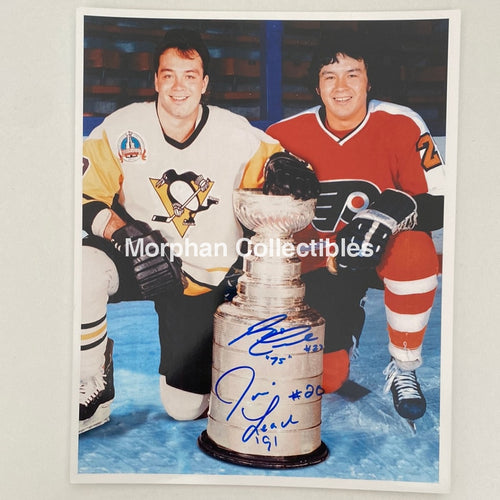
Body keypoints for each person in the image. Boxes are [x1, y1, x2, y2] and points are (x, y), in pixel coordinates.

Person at [79, 28, 319, 433]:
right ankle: (91, 377)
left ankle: (198, 368)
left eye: (190, 75)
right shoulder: (121, 129)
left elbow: (291, 169)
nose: (178, 86)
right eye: (168, 75)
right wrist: (124, 234)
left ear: (204, 83)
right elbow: (81, 197)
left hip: (201, 278)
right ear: (155, 80)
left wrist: (290, 172)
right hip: (143, 256)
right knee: (82, 267)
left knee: (184, 408)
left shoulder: (236, 134)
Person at [266, 31, 445, 423]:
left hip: (383, 253)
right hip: (321, 263)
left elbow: (443, 203)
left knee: (416, 250)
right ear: (316, 85)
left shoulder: (400, 123)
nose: (341, 86)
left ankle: (404, 366)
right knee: (329, 380)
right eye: (330, 76)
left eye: (352, 74)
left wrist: (393, 209)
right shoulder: (280, 137)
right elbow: (256, 217)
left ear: (369, 80)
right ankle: (349, 316)